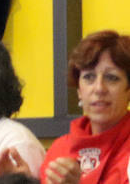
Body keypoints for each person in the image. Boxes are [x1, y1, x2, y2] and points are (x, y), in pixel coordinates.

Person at [37, 31, 130, 184]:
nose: (99, 88)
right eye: (89, 77)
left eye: (112, 78)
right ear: (79, 90)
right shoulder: (60, 149)